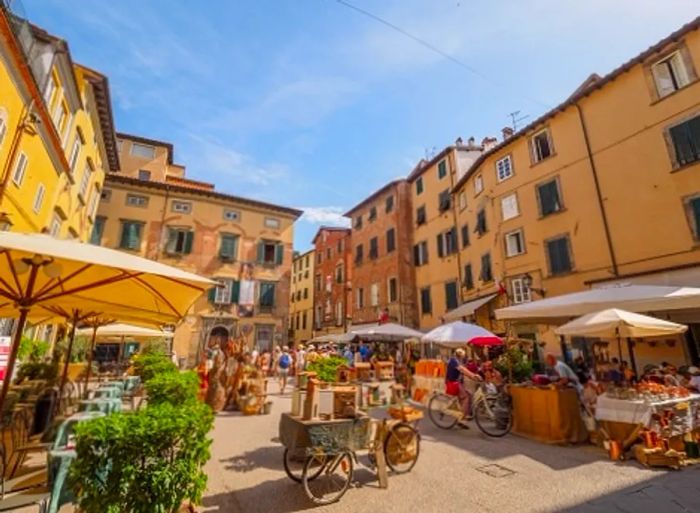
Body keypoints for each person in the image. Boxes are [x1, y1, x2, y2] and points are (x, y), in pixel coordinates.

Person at [446, 348, 482, 424]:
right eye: (463, 354)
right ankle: (461, 419)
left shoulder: (459, 361)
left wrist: (472, 376)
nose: (464, 356)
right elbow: (462, 369)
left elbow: (464, 370)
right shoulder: (454, 361)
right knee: (466, 398)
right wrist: (473, 375)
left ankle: (464, 413)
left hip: (457, 382)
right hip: (454, 383)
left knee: (468, 394)